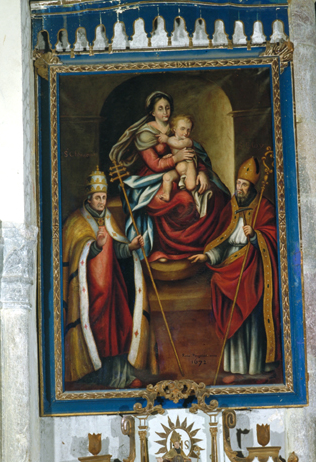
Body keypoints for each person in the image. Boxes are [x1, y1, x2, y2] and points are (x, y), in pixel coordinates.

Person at [62, 167, 156, 387]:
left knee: (120, 329)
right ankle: (96, 376)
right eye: (97, 197)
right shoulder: (77, 222)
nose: (102, 202)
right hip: (92, 294)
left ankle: (121, 376)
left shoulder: (109, 218)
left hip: (113, 289)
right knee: (97, 334)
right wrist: (94, 246)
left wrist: (130, 246)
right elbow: (76, 254)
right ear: (89, 198)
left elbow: (117, 250)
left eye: (104, 197)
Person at [109, 91, 230, 262]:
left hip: (181, 171)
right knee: (181, 200)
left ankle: (203, 250)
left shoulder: (177, 127)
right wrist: (176, 158)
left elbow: (193, 154)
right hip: (152, 178)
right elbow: (155, 165)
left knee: (213, 194)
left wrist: (202, 173)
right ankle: (162, 251)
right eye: (160, 108)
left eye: (167, 108)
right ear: (152, 112)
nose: (165, 112)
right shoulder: (145, 134)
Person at [189, 157, 280, 381]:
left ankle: (257, 367)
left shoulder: (264, 206)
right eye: (238, 183)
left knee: (250, 318)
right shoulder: (232, 206)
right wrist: (207, 255)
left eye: (244, 185)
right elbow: (222, 240)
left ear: (252, 186)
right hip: (230, 266)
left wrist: (256, 235)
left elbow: (274, 237)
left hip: (253, 270)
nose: (239, 188)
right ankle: (235, 367)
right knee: (232, 313)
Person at [158, 114, 198, 202]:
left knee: (190, 186)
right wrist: (170, 156)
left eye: (188, 130)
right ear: (174, 129)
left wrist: (167, 139)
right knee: (167, 177)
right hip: (178, 171)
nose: (186, 132)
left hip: (188, 168)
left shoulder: (188, 141)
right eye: (182, 129)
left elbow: (178, 145)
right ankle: (166, 194)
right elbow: (175, 152)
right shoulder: (172, 140)